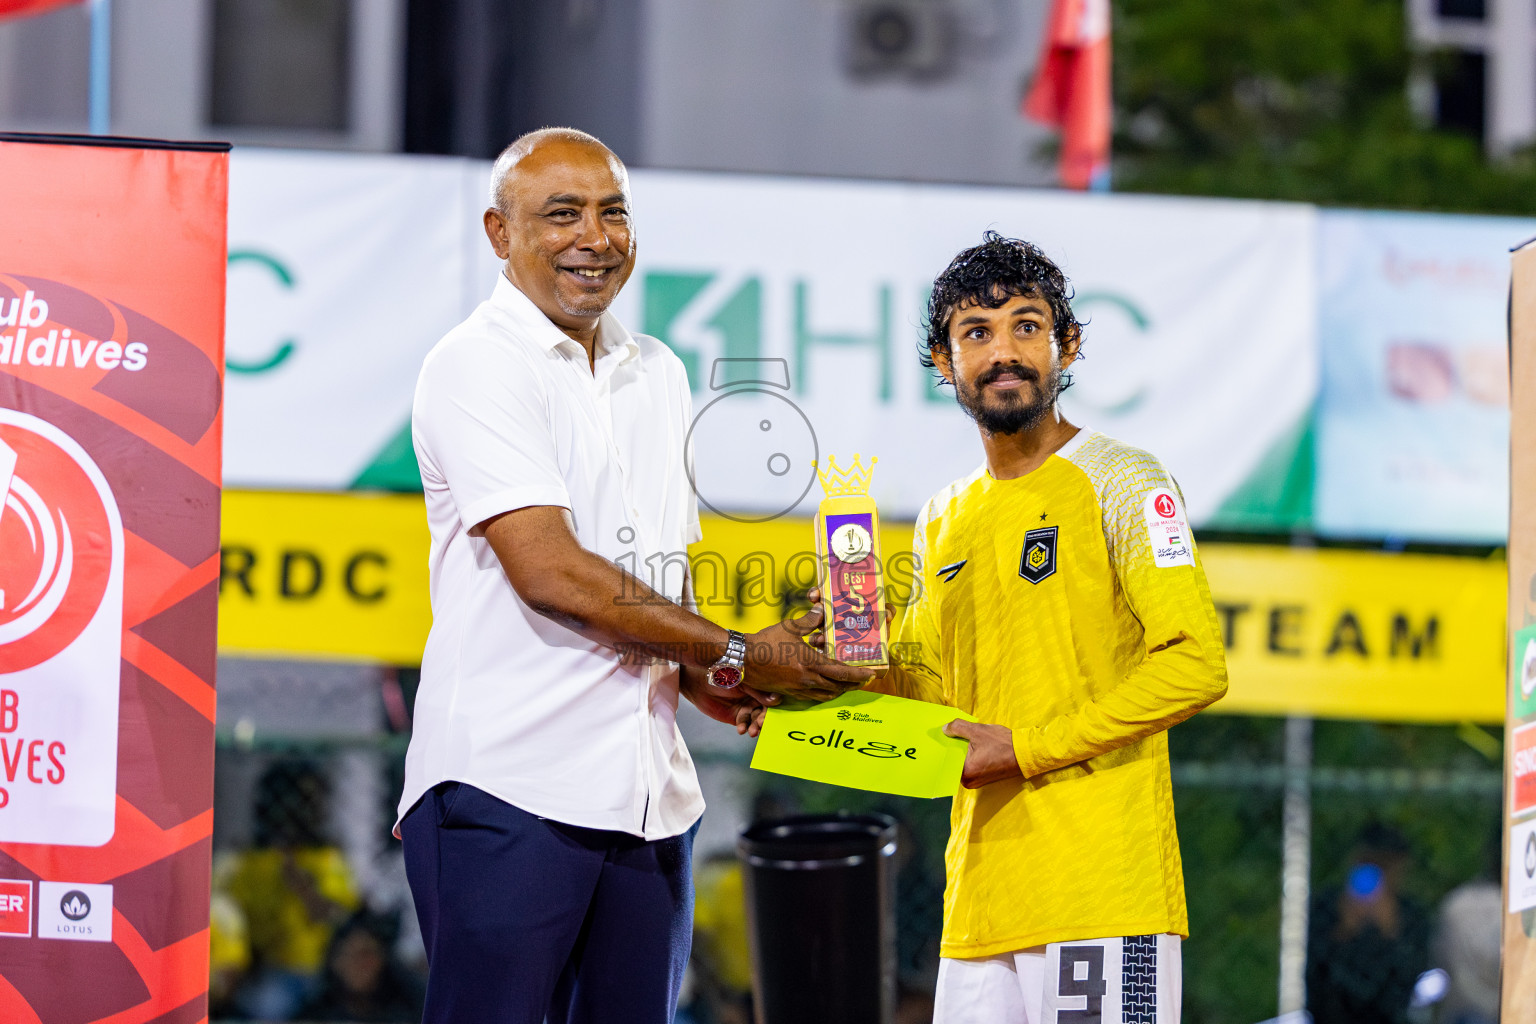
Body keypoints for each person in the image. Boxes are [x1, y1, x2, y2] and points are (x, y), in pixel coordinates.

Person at [397, 126, 870, 1024]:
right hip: (510, 790)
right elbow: (553, 573)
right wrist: (736, 648)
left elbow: (661, 580)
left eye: (613, 212)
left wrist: (720, 677)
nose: (595, 238)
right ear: (500, 234)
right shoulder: (474, 364)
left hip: (652, 800)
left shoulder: (658, 372)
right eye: (561, 214)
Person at [870, 231, 1229, 1023]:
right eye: (978, 333)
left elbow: (1198, 664)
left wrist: (1026, 748)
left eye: (1027, 326)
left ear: (1065, 345)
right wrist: (813, 687)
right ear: (943, 361)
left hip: (1104, 897)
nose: (1005, 352)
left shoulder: (1124, 479)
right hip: (978, 908)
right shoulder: (942, 517)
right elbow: (927, 699)